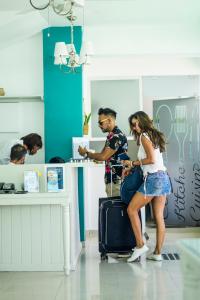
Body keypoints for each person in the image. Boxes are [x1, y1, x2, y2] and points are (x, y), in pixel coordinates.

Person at [122, 111, 172, 262]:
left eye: (137, 123)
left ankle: (140, 245)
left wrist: (132, 163)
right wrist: (135, 167)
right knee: (159, 217)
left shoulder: (144, 136)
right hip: (163, 177)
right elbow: (154, 161)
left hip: (154, 179)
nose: (135, 127)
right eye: (133, 124)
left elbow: (151, 159)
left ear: (143, 122)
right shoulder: (153, 135)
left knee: (131, 209)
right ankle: (157, 253)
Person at [78, 108, 128, 196]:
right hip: (115, 179)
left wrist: (86, 153)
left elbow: (103, 156)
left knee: (115, 208)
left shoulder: (115, 136)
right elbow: (104, 156)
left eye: (100, 122)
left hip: (116, 181)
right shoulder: (113, 135)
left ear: (109, 120)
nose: (99, 125)